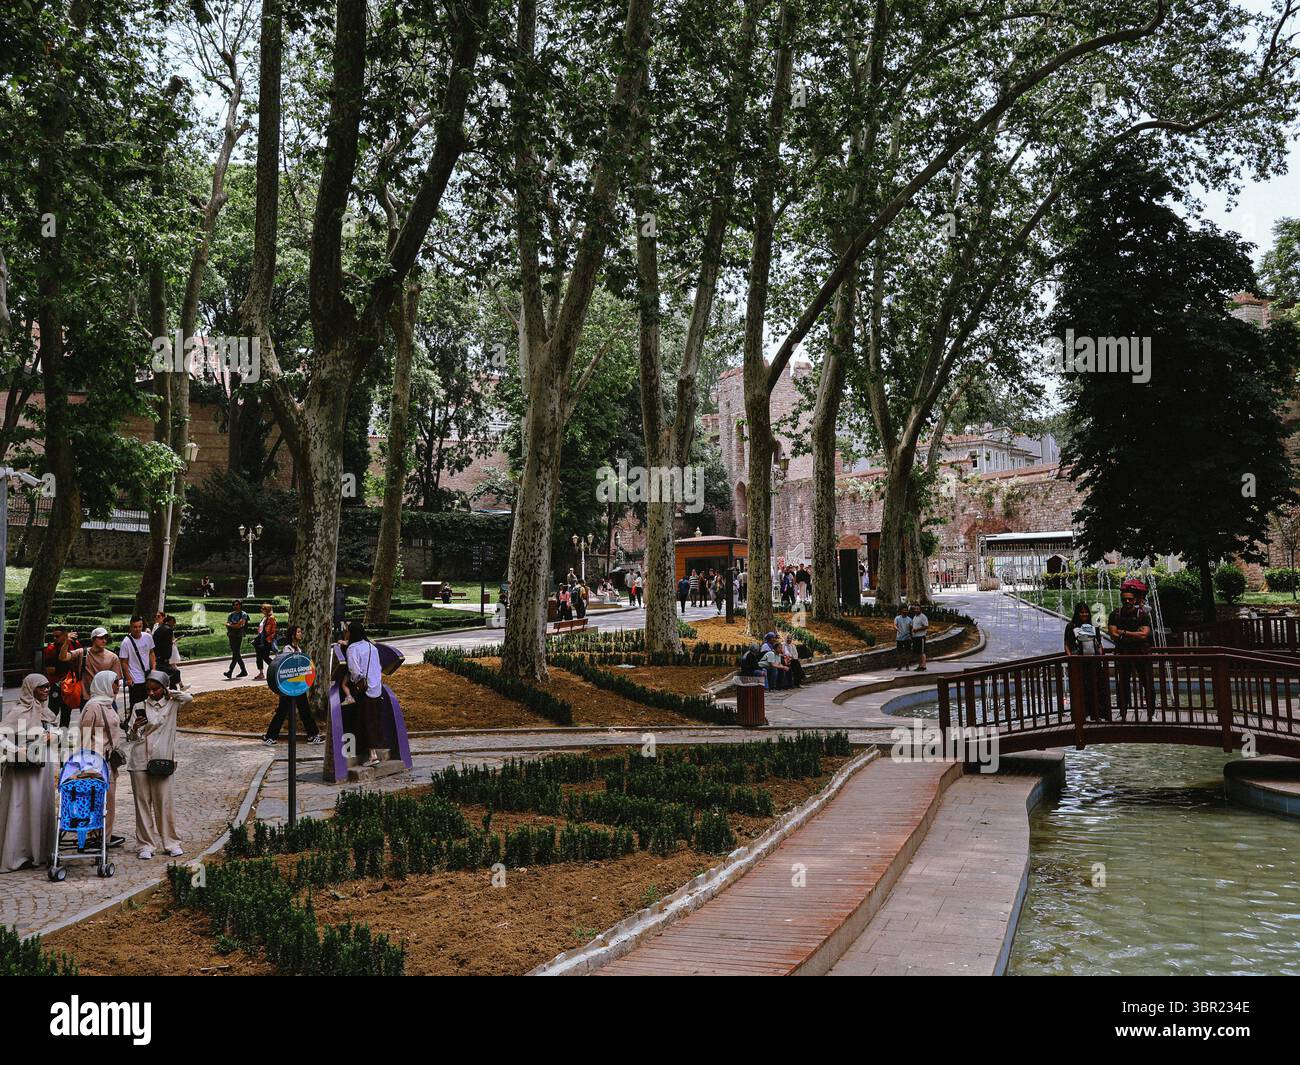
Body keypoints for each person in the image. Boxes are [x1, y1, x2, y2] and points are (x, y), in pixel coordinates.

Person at [127, 671, 190, 860]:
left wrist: (171, 692)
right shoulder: (139, 706)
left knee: (164, 803)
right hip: (139, 760)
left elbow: (189, 698)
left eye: (155, 689)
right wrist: (136, 727)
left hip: (162, 760)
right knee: (143, 804)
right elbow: (131, 737)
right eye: (148, 690)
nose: (151, 693)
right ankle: (145, 845)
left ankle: (171, 842)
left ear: (163, 688)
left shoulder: (173, 704)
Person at [0, 675, 57, 872]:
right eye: (41, 687)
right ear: (30, 689)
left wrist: (54, 736)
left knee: (38, 805)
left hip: (43, 768)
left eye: (48, 687)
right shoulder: (17, 712)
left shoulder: (45, 711)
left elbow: (57, 731)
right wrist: (16, 751)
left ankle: (39, 853)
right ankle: (18, 854)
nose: (46, 690)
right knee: (21, 808)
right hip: (22, 771)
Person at [78, 670, 126, 849]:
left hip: (109, 761)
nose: (117, 687)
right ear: (104, 683)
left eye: (118, 683)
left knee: (109, 800)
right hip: (96, 762)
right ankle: (97, 836)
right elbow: (84, 736)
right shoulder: (93, 706)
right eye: (114, 683)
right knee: (98, 800)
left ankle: (106, 835)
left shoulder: (109, 704)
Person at [262, 625, 325, 747]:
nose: (301, 634)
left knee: (305, 710)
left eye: (301, 632)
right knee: (282, 711)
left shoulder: (299, 649)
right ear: (292, 635)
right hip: (288, 686)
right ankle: (270, 737)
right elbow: (288, 666)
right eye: (298, 632)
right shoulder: (287, 649)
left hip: (297, 685)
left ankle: (313, 735)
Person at [57, 627, 124, 720]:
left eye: (105, 638)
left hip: (106, 699)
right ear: (93, 639)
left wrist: (113, 698)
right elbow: (63, 657)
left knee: (109, 728)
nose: (104, 641)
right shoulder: (82, 653)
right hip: (87, 698)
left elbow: (116, 681)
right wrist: (67, 642)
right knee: (88, 729)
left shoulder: (113, 657)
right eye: (101, 638)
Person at [343, 621, 384, 767]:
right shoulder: (372, 647)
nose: (346, 633)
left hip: (363, 690)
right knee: (373, 720)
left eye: (347, 631)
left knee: (364, 721)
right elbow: (378, 667)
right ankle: (372, 752)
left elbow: (355, 671)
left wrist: (352, 681)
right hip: (376, 688)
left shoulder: (352, 649)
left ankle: (372, 755)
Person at [1108, 588, 1154, 720]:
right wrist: (1135, 634)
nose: (1127, 601)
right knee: (1122, 683)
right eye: (1124, 599)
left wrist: (1123, 632)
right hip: (1123, 653)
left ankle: (1151, 713)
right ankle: (1123, 713)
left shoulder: (1142, 614)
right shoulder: (1115, 614)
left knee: (1148, 682)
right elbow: (1112, 634)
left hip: (1141, 653)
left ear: (1135, 600)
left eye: (1130, 599)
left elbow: (1144, 634)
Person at [1064, 602, 1106, 721]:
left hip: (1094, 661)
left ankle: (1097, 713)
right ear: (1077, 613)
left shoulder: (1093, 626)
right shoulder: (1071, 626)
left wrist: (1100, 655)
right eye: (1082, 612)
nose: (1084, 614)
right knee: (1082, 688)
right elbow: (1066, 644)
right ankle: (1083, 714)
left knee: (1096, 687)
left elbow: (1099, 643)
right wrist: (1071, 657)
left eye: (1086, 612)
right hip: (1079, 662)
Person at [43, 625, 80, 729]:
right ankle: (49, 734)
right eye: (53, 636)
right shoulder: (51, 649)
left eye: (57, 636)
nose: (55, 639)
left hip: (70, 685)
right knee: (52, 712)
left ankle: (63, 737)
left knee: (66, 712)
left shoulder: (74, 645)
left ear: (65, 636)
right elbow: (50, 670)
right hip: (56, 684)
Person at [118, 615, 156, 710]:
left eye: (139, 626)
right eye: (135, 627)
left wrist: (154, 668)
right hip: (135, 678)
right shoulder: (126, 642)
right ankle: (135, 722)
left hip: (147, 676)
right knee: (136, 704)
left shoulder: (147, 637)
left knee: (149, 702)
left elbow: (151, 653)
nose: (137, 629)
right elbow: (124, 662)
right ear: (131, 627)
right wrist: (129, 678)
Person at [151, 613, 180, 690]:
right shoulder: (168, 630)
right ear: (170, 622)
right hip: (163, 658)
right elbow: (167, 644)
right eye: (174, 623)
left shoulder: (159, 629)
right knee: (172, 677)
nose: (174, 625)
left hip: (158, 657)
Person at [224, 599, 250, 680]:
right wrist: (233, 625)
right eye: (234, 605)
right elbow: (228, 624)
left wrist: (232, 625)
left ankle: (230, 671)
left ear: (240, 605)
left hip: (238, 635)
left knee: (236, 653)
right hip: (231, 635)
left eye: (237, 604)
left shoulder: (243, 614)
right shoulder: (231, 615)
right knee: (236, 654)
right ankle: (243, 671)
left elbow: (239, 625)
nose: (236, 606)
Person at [252, 602, 278, 681]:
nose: (261, 610)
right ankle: (261, 673)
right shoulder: (264, 618)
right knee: (259, 656)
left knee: (265, 657)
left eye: (263, 609)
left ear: (267, 610)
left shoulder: (271, 618)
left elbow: (274, 631)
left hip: (266, 640)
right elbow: (261, 628)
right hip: (260, 639)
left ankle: (276, 669)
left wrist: (269, 638)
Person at [910, 604, 930, 672]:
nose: (916, 610)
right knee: (917, 652)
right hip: (915, 637)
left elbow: (926, 626)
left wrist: (917, 629)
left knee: (922, 652)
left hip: (921, 637)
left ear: (920, 610)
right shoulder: (915, 617)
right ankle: (919, 665)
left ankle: (923, 666)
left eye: (918, 609)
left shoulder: (923, 617)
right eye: (915, 609)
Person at [893, 604, 913, 670]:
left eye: (906, 610)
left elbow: (911, 629)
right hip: (899, 638)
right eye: (904, 610)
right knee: (899, 652)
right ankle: (899, 665)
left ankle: (907, 665)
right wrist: (897, 629)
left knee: (907, 652)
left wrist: (911, 636)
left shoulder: (910, 619)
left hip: (907, 638)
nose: (905, 611)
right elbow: (895, 625)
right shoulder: (897, 618)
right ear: (901, 611)